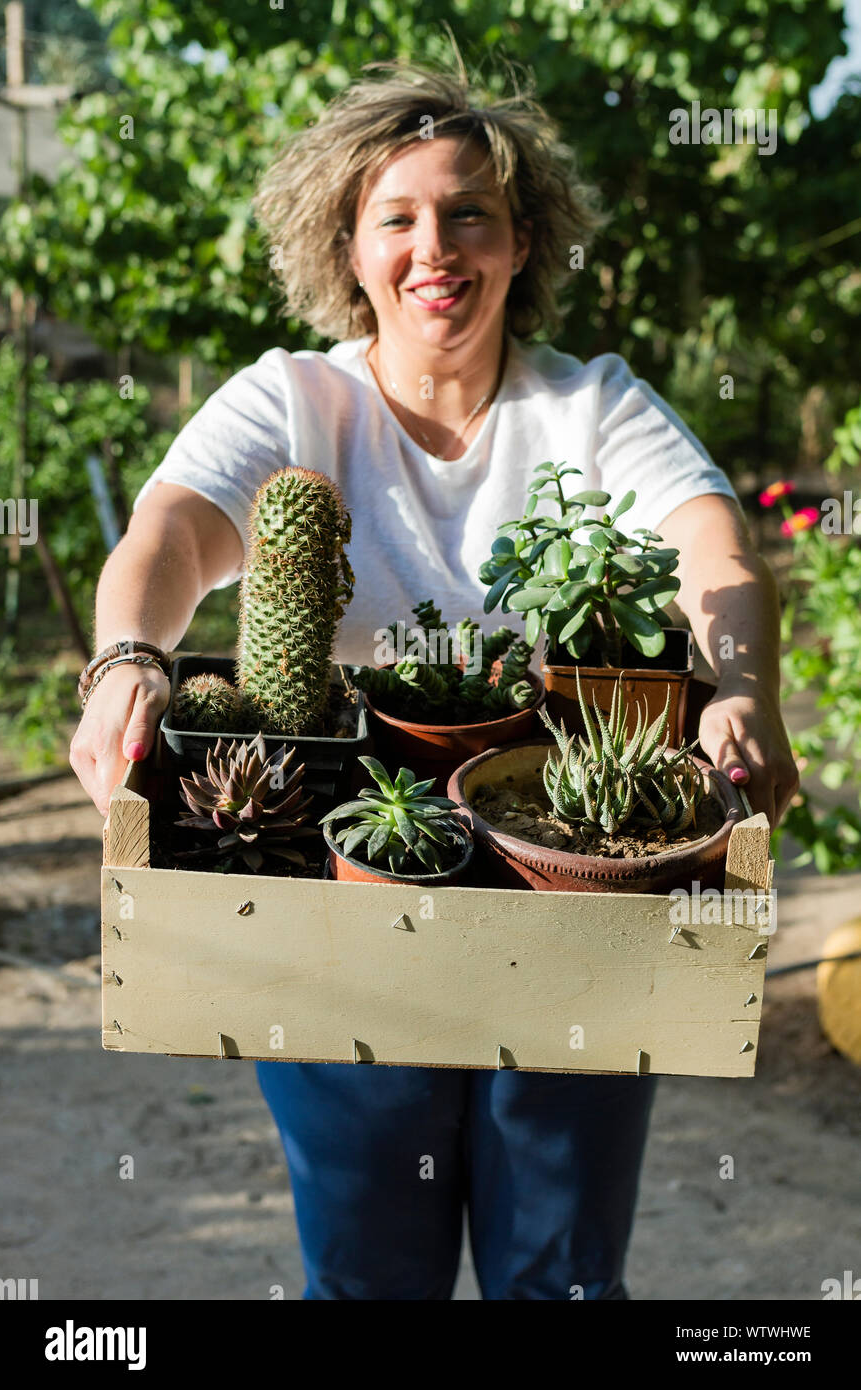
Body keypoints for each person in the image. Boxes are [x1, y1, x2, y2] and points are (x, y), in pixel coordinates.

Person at [70, 56, 799, 1300]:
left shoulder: (591, 408)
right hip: (337, 869)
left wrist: (740, 687)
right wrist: (128, 658)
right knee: (367, 1278)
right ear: (346, 251)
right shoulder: (289, 400)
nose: (434, 247)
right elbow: (170, 537)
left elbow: (709, 546)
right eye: (395, 217)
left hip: (570, 868)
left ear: (522, 241)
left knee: (557, 1275)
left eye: (469, 212)